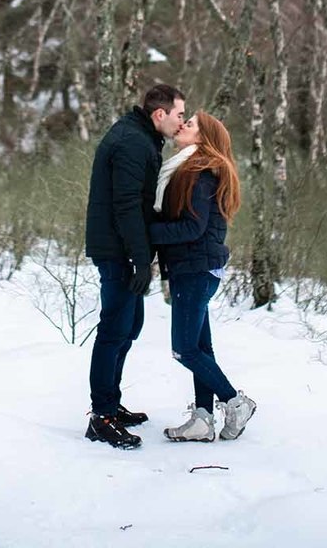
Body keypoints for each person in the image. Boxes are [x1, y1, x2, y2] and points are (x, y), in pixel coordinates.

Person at [84, 83, 186, 449]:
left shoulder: (142, 136)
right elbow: (127, 205)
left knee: (130, 326)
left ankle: (111, 404)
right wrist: (140, 258)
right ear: (159, 114)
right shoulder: (132, 141)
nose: (182, 122)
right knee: (114, 329)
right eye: (178, 115)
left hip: (123, 248)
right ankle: (102, 417)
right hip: (117, 250)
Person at [150, 110, 256, 443]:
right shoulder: (192, 169)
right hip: (194, 268)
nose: (183, 125)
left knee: (184, 349)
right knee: (200, 347)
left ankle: (235, 402)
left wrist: (147, 232)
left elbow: (192, 227)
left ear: (203, 138)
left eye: (190, 124)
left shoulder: (202, 174)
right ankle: (203, 419)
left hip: (195, 268)